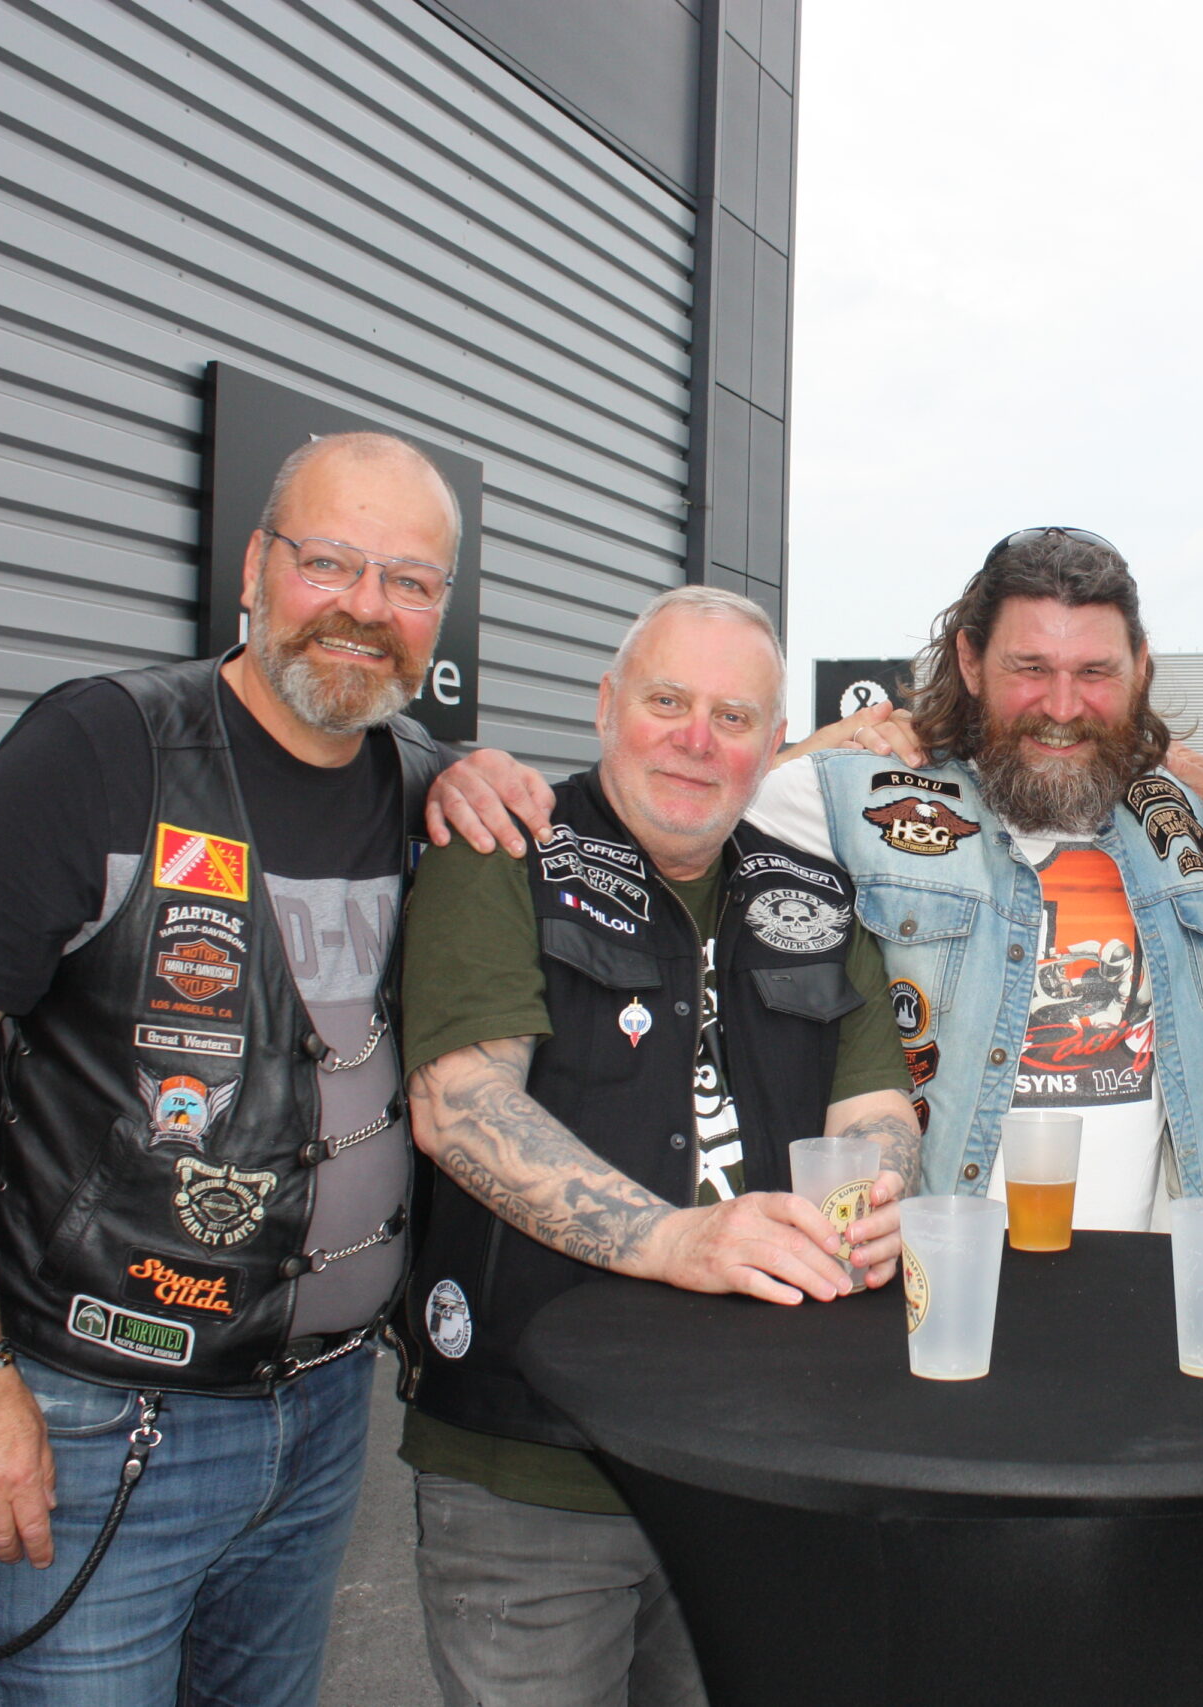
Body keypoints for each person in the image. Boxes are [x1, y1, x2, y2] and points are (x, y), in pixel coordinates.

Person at [0, 431, 555, 1706]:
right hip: (94, 1415)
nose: (365, 608)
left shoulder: (433, 797)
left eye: (408, 582)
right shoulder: (106, 750)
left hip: (324, 1418)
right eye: (329, 561)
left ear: (440, 614)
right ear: (254, 568)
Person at [394, 585, 919, 1707]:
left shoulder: (817, 898)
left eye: (733, 717)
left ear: (773, 743)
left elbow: (876, 1107)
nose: (696, 739)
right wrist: (679, 1240)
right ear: (606, 706)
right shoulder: (504, 850)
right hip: (536, 1472)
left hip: (755, 1467)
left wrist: (878, 1199)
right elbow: (461, 1107)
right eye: (667, 701)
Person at [750, 527, 1203, 1225]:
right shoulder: (857, 795)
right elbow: (695, 818)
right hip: (936, 1268)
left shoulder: (1180, 818)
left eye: (1095, 672)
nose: (1063, 706)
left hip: (1147, 1273)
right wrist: (815, 748)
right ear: (971, 662)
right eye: (1031, 667)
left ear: (1140, 668)